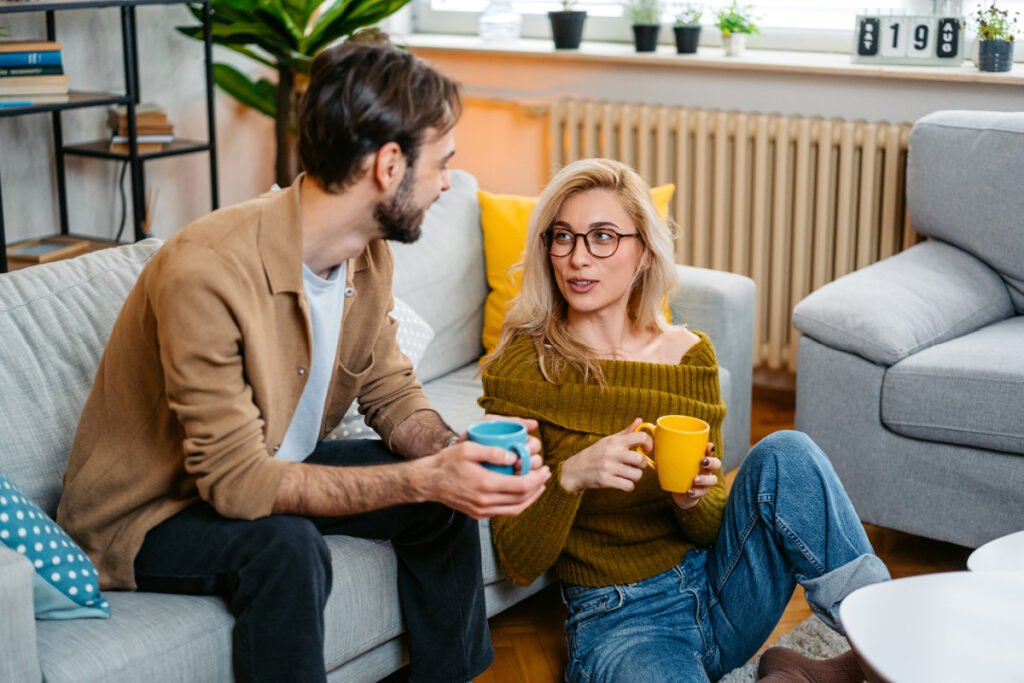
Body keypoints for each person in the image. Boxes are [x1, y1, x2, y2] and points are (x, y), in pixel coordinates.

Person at [56, 31, 551, 683]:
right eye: (443, 162)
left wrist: (452, 454)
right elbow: (234, 483)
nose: (449, 182)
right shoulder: (207, 271)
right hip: (154, 509)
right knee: (287, 548)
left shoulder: (366, 252)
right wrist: (424, 476)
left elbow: (390, 389)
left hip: (269, 464)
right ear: (390, 165)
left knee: (440, 496)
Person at [478, 158, 890, 683]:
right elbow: (517, 559)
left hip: (720, 588)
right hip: (622, 622)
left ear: (644, 252)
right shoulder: (523, 368)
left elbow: (713, 520)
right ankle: (799, 676)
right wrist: (570, 476)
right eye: (563, 237)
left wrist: (691, 499)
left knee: (788, 452)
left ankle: (883, 636)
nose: (578, 258)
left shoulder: (689, 356)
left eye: (603, 236)